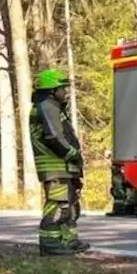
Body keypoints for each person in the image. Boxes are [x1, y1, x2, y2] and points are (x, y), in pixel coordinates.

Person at [30, 69, 88, 256]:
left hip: (64, 167)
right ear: (52, 90)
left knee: (70, 206)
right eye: (62, 88)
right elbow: (54, 137)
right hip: (55, 167)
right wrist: (72, 153)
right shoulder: (47, 106)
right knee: (58, 206)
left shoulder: (54, 107)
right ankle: (50, 244)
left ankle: (68, 241)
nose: (65, 91)